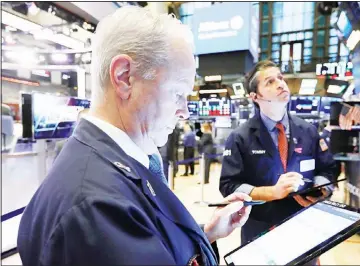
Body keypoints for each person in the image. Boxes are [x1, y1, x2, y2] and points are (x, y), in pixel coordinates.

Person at [17, 7, 252, 266]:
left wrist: (205, 233)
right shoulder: (97, 208)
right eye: (177, 93)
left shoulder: (117, 164)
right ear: (124, 77)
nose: (184, 111)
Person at [219, 60, 337, 247]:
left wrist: (321, 190)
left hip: (304, 224)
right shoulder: (240, 137)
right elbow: (229, 185)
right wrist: (272, 192)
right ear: (255, 96)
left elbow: (328, 169)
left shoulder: (309, 131)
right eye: (270, 82)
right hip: (260, 229)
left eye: (280, 78)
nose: (280, 83)